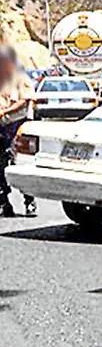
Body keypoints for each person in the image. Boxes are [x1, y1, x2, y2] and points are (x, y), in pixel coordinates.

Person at [0, 46, 36, 218]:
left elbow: (24, 100)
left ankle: (29, 200)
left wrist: (5, 111)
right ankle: (4, 202)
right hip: (2, 126)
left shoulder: (21, 78)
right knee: (1, 166)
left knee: (18, 163)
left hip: (16, 125)